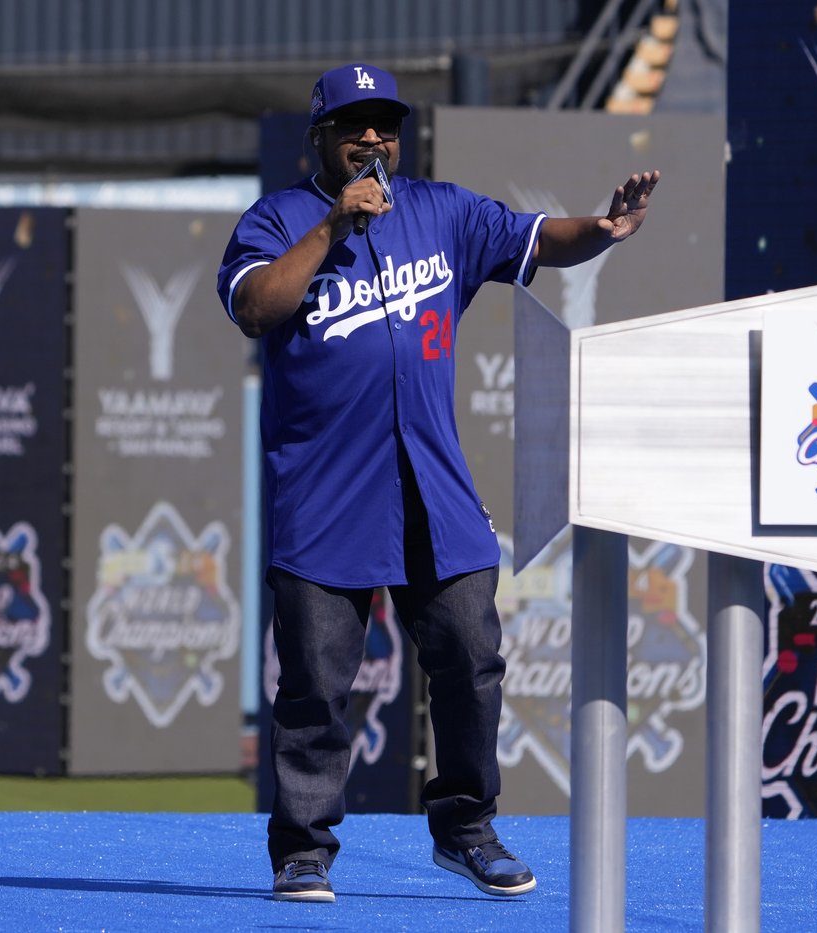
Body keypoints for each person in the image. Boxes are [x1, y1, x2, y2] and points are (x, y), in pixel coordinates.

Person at [216, 62, 658, 903]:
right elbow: (256, 306)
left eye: (385, 123)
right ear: (321, 137)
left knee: (471, 656)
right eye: (354, 125)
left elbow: (537, 238)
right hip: (324, 492)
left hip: (432, 483)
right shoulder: (275, 220)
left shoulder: (442, 211)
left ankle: (465, 828)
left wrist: (604, 227)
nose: (373, 138)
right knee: (314, 683)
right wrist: (332, 227)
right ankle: (302, 850)